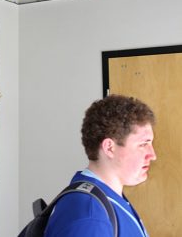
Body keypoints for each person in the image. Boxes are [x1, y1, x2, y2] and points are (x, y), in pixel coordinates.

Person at [44, 94, 156, 237]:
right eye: (143, 144)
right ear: (109, 148)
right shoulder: (90, 217)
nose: (153, 155)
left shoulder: (106, 198)